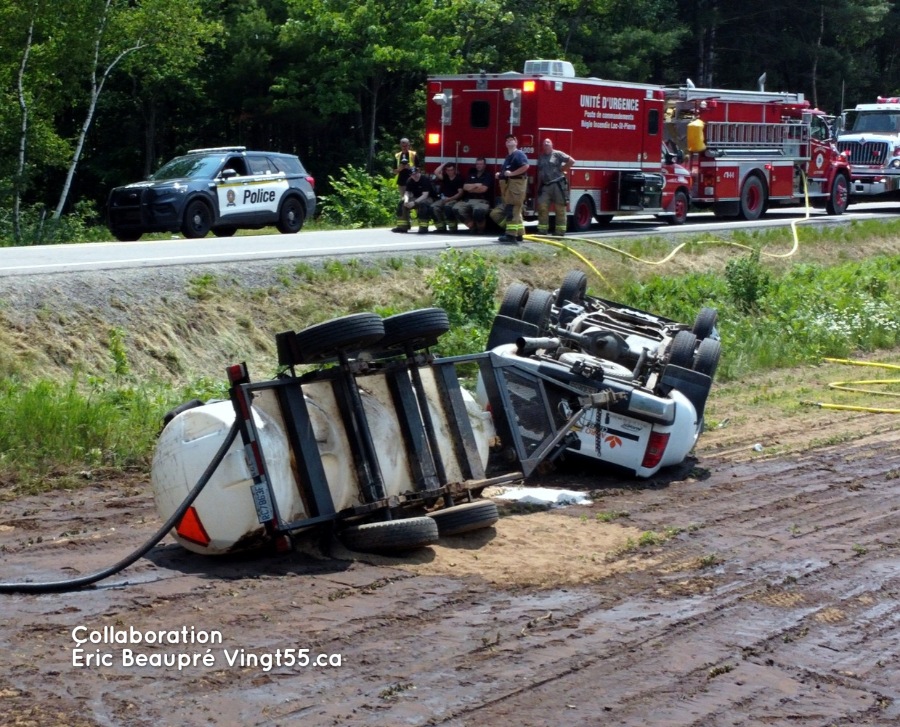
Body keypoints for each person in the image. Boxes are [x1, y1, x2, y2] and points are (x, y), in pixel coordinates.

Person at [489, 134, 530, 243]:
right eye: (507, 140)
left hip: (516, 186)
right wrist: (500, 174)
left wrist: (512, 173)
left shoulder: (519, 154)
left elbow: (525, 166)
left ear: (516, 142)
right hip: (510, 186)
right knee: (516, 211)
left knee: (512, 209)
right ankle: (519, 234)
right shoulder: (509, 157)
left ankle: (511, 235)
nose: (509, 142)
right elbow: (507, 172)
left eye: (511, 140)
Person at [535, 138, 575, 235]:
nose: (546, 144)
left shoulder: (557, 154)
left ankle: (560, 231)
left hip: (558, 184)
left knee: (560, 208)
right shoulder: (541, 157)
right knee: (542, 206)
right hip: (545, 186)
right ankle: (542, 230)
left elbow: (572, 161)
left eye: (548, 142)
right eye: (544, 143)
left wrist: (562, 169)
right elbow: (540, 172)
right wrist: (538, 187)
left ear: (552, 144)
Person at [391, 167, 435, 234]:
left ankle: (423, 228)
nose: (414, 176)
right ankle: (402, 227)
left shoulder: (424, 179)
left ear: (418, 172)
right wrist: (406, 200)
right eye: (412, 175)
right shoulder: (410, 180)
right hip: (416, 197)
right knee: (402, 203)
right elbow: (407, 192)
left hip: (428, 198)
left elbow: (425, 195)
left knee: (423, 204)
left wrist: (414, 202)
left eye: (415, 174)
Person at [456, 157, 493, 234]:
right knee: (456, 209)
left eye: (481, 164)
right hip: (469, 200)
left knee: (478, 212)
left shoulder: (488, 175)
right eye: (477, 164)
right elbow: (465, 187)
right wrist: (476, 185)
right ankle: (472, 226)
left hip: (482, 201)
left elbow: (483, 189)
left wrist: (471, 188)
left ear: (484, 165)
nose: (478, 166)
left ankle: (480, 230)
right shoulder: (471, 174)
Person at [431, 161, 465, 233]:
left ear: (455, 170)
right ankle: (441, 227)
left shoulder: (458, 179)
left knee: (447, 208)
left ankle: (453, 228)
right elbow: (436, 172)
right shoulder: (445, 177)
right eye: (448, 170)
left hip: (454, 199)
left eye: (451, 170)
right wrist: (443, 165)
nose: (450, 172)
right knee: (434, 207)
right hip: (444, 198)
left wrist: (450, 199)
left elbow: (460, 193)